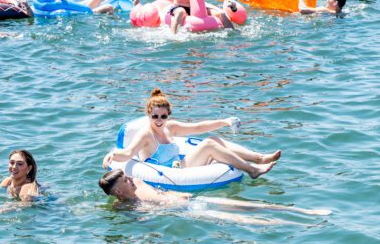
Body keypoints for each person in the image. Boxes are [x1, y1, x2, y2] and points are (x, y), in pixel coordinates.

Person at [103, 88, 280, 178]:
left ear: (168, 115)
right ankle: (252, 170)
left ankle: (259, 158)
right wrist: (111, 155)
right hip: (168, 173)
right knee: (210, 145)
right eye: (155, 116)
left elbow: (198, 127)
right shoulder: (146, 134)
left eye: (163, 116)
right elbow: (128, 153)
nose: (159, 120)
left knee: (213, 139)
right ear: (148, 115)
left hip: (180, 165)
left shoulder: (169, 127)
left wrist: (224, 121)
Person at [98, 170, 328, 224]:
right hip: (188, 211)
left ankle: (304, 212)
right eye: (124, 181)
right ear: (118, 191)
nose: (129, 179)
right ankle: (291, 224)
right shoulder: (124, 207)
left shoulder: (138, 181)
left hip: (192, 201)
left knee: (253, 206)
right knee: (247, 220)